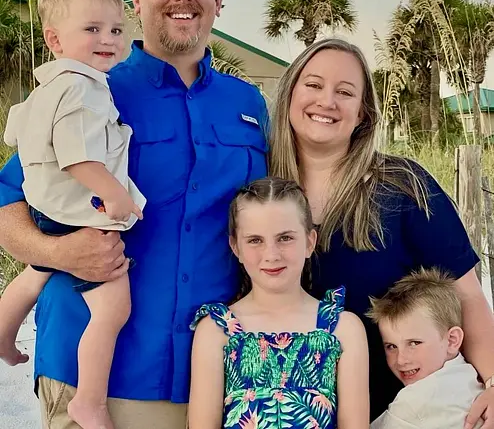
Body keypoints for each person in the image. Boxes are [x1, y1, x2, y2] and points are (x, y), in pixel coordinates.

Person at [0, 0, 268, 429]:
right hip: (90, 379)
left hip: (213, 380)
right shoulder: (85, 87)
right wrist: (57, 251)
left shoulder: (249, 105)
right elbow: (8, 198)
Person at [268, 37, 494, 428]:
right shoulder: (258, 187)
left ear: (363, 113)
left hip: (402, 414)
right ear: (290, 94)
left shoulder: (403, 186)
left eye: (345, 92)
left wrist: (493, 380)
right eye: (314, 85)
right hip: (284, 411)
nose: (327, 101)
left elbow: (468, 295)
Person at [0, 0, 146, 429]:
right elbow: (77, 155)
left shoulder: (49, 87)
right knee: (113, 307)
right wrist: (114, 194)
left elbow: (14, 135)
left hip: (49, 206)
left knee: (36, 273)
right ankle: (89, 400)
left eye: (116, 29)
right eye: (92, 29)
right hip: (77, 208)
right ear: (55, 39)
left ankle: (3, 334)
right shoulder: (84, 87)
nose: (108, 39)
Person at [188, 177, 369, 429]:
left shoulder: (343, 328)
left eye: (285, 238)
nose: (271, 255)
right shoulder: (216, 330)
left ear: (310, 242)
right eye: (255, 240)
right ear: (236, 247)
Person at [367, 267, 483, 429]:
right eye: (391, 346)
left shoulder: (414, 401)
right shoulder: (470, 376)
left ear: (452, 340)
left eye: (414, 343)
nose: (401, 360)